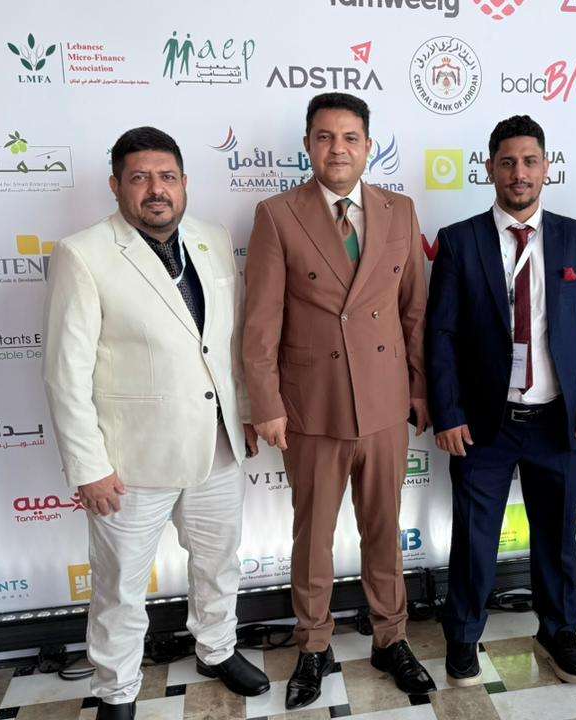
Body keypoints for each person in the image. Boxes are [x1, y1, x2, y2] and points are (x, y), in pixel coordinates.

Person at [43, 127, 267, 720]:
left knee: (219, 564)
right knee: (119, 587)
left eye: (167, 177)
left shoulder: (213, 239)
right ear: (116, 185)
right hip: (129, 462)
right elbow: (65, 373)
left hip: (217, 446)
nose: (155, 190)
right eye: (139, 178)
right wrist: (89, 467)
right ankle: (116, 690)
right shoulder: (83, 254)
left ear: (184, 183)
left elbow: (228, 343)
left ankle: (217, 650)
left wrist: (244, 416)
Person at [241, 92, 435, 710]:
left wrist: (420, 387)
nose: (338, 149)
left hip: (384, 403)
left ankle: (391, 639)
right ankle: (313, 646)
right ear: (308, 145)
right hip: (312, 406)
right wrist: (266, 402)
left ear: (368, 146)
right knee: (313, 536)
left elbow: (415, 311)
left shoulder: (400, 211)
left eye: (350, 137)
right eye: (325, 137)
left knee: (383, 530)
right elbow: (261, 322)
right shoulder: (277, 215)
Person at [426, 115, 576, 686]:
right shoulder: (460, 240)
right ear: (490, 169)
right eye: (507, 162)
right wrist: (448, 412)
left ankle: (558, 632)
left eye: (530, 161)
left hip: (558, 421)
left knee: (557, 540)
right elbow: (441, 334)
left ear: (546, 168)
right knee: (474, 539)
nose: (519, 173)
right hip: (484, 424)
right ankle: (463, 637)